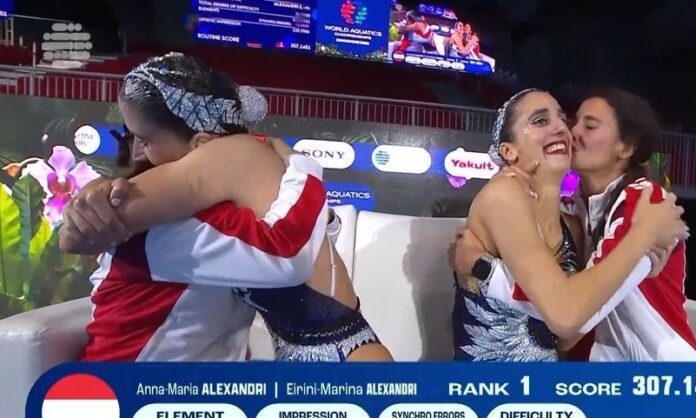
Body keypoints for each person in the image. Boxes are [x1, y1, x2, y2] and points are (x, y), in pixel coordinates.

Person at [60, 53, 392, 362]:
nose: (136, 154)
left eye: (145, 140)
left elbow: (303, 252)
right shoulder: (164, 223)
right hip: (126, 390)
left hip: (337, 359)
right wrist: (302, 166)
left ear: (203, 146)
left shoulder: (216, 206)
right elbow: (289, 256)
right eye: (132, 137)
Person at [454, 87, 696, 361]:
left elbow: (569, 321)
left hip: (660, 374)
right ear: (508, 150)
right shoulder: (574, 210)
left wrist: (486, 270)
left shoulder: (646, 204)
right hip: (526, 381)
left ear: (626, 147)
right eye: (543, 121)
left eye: (589, 126)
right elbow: (570, 322)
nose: (568, 130)